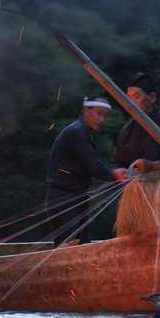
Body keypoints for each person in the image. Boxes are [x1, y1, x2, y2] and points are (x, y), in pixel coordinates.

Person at [111, 72, 160, 236]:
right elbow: (117, 162)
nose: (131, 102)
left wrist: (154, 165)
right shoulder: (127, 130)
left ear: (152, 97)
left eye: (136, 96)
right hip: (137, 194)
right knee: (133, 239)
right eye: (129, 97)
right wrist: (118, 171)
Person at [45, 97, 127, 245]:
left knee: (79, 245)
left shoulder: (81, 132)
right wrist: (115, 175)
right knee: (70, 249)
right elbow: (93, 165)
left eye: (105, 115)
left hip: (73, 199)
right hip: (65, 201)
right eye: (99, 114)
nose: (102, 120)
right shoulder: (77, 132)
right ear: (86, 112)